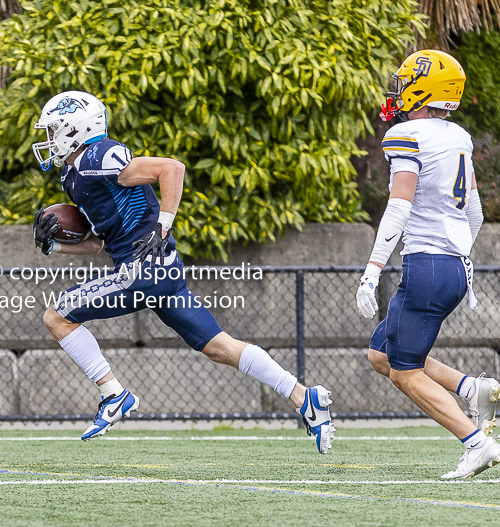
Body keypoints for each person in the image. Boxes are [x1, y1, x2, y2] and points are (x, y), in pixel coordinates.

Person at [31, 90, 335, 452]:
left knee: (57, 316)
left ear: (75, 128)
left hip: (144, 269)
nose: (49, 140)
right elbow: (99, 241)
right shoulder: (72, 175)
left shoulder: (99, 154)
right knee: (219, 347)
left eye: (54, 130)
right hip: (157, 270)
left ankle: (114, 394)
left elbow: (171, 169)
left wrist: (163, 225)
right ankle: (304, 397)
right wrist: (58, 246)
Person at [356, 50, 500, 479]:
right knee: (381, 355)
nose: (398, 89)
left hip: (427, 266)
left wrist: (371, 270)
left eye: (405, 81)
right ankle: (473, 389)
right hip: (452, 267)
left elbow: (398, 210)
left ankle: (477, 444)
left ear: (423, 88)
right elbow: (473, 211)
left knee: (404, 371)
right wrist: (459, 252)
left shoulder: (408, 134)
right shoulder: (457, 136)